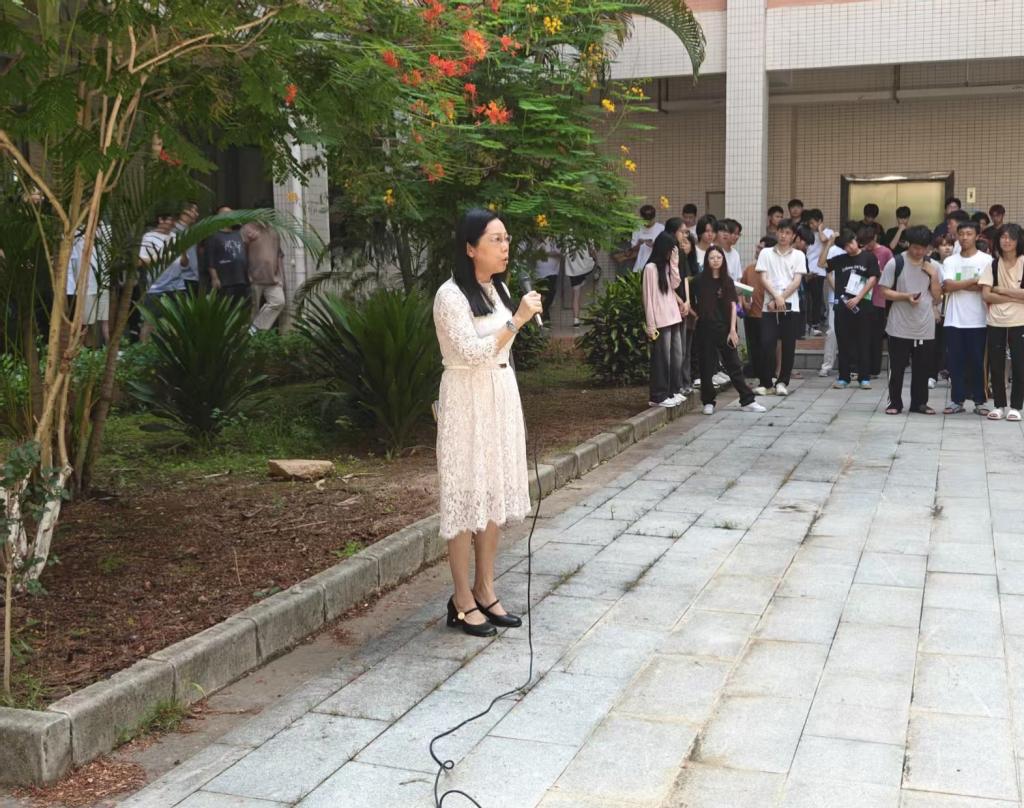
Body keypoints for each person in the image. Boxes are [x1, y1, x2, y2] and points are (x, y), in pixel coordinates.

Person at [432, 208, 542, 636]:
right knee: (464, 495)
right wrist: (518, 320)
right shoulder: (450, 296)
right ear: (470, 248)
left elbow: (501, 350)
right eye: (495, 239)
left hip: (499, 394)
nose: (505, 247)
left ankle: (486, 587)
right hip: (466, 398)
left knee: (492, 492)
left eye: (507, 238)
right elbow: (473, 352)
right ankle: (461, 598)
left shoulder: (498, 288)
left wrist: (514, 319)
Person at [693, 246, 765, 415]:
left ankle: (747, 400)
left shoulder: (727, 281)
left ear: (723, 260)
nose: (715, 260)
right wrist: (694, 314)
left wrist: (733, 329)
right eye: (712, 258)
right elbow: (688, 298)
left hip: (725, 329)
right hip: (704, 329)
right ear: (707, 260)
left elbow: (733, 305)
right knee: (706, 367)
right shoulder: (699, 280)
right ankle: (708, 402)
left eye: (719, 257)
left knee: (734, 365)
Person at [879, 225, 942, 415]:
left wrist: (933, 276)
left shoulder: (934, 266)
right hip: (899, 325)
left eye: (923, 248)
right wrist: (905, 296)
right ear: (908, 244)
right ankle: (894, 403)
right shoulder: (895, 262)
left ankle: (920, 403)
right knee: (897, 367)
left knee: (923, 368)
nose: (919, 252)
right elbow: (883, 291)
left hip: (924, 325)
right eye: (915, 247)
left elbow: (938, 297)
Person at [941, 220, 991, 414]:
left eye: (969, 234)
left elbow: (985, 287)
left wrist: (960, 284)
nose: (965, 238)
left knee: (977, 362)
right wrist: (973, 281)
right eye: (961, 234)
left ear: (977, 236)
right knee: (956, 362)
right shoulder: (950, 261)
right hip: (954, 320)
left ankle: (980, 401)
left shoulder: (986, 260)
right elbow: (948, 286)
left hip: (979, 320)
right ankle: (957, 400)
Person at [978, 223, 1024, 421]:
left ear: (1018, 241)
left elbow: (995, 292)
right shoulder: (993, 264)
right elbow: (986, 295)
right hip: (996, 320)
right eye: (1003, 237)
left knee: (1020, 365)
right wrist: (1017, 296)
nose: (1007, 241)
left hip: (1020, 320)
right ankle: (999, 405)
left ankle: (1016, 407)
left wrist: (1002, 290)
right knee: (996, 365)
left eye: (1011, 237)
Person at [756, 218, 806, 396]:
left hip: (791, 306)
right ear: (776, 232)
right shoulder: (766, 253)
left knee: (788, 345)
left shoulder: (799, 255)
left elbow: (797, 281)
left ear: (793, 236)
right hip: (769, 305)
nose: (783, 236)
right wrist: (776, 297)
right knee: (767, 343)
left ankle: (782, 382)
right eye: (781, 232)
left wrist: (781, 298)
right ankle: (766, 382)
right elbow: (763, 278)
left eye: (787, 233)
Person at [825, 229, 879, 389]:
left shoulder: (869, 257)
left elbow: (873, 278)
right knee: (843, 342)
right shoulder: (840, 259)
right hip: (842, 307)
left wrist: (858, 298)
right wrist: (829, 243)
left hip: (863, 306)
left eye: (850, 243)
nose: (849, 248)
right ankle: (844, 377)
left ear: (856, 239)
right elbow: (822, 265)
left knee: (864, 341)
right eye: (845, 246)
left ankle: (864, 377)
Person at [642, 232, 684, 408]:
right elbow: (648, 298)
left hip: (673, 317)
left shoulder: (666, 267)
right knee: (662, 359)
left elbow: (675, 284)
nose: (671, 253)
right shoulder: (650, 268)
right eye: (670, 250)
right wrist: (651, 325)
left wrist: (674, 262)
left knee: (676, 356)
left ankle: (672, 391)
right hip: (660, 320)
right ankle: (658, 395)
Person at [665, 218, 698, 395]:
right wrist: (680, 301)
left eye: (686, 232)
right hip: (671, 305)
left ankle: (684, 383)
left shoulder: (682, 254)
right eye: (682, 232)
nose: (685, 235)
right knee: (675, 350)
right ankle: (675, 385)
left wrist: (687, 301)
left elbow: (684, 278)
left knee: (683, 348)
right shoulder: (667, 252)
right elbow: (667, 283)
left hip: (683, 305)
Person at [242, 210, 286, 332]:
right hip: (254, 277)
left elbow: (279, 254)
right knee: (253, 309)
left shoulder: (274, 231)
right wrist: (246, 274)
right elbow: (241, 253)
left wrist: (281, 278)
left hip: (273, 278)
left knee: (279, 302)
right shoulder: (247, 229)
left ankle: (254, 328)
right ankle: (248, 338)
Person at [741, 235, 774, 386]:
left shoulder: (772, 270)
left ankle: (768, 377)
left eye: (761, 248)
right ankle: (756, 375)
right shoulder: (749, 269)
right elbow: (742, 289)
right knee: (753, 347)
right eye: (758, 247)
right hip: (751, 315)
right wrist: (744, 302)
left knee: (766, 348)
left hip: (767, 315)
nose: (757, 250)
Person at [861, 225, 893, 378]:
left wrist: (879, 273)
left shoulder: (885, 252)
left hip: (878, 299)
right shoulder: (862, 252)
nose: (866, 246)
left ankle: (874, 369)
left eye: (869, 242)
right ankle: (862, 367)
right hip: (862, 298)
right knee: (862, 335)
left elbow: (893, 272)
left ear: (875, 238)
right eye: (864, 242)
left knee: (876, 336)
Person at [205, 206, 250, 305]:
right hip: (225, 281)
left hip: (241, 279)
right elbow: (210, 259)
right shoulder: (213, 236)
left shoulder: (238, 234)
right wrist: (214, 277)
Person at [563, 243, 598, 328]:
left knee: (576, 295)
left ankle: (576, 320)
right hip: (586, 267)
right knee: (596, 267)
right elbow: (592, 251)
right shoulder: (586, 236)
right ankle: (592, 275)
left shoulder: (566, 238)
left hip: (573, 270)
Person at [174, 202, 201, 295]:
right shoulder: (175, 231)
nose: (197, 215)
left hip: (193, 276)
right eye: (194, 211)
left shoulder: (190, 231)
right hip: (182, 278)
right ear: (184, 212)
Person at [629, 204, 664, 272]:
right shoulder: (637, 228)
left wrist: (654, 245)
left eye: (649, 220)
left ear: (654, 217)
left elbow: (665, 248)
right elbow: (632, 249)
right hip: (640, 266)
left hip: (656, 266)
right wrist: (639, 244)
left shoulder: (661, 228)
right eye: (645, 221)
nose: (647, 223)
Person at [533, 237, 561, 321]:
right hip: (538, 273)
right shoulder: (535, 241)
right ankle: (543, 315)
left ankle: (544, 312)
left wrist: (546, 254)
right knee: (541, 295)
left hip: (552, 272)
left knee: (551, 293)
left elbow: (560, 254)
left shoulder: (554, 239)